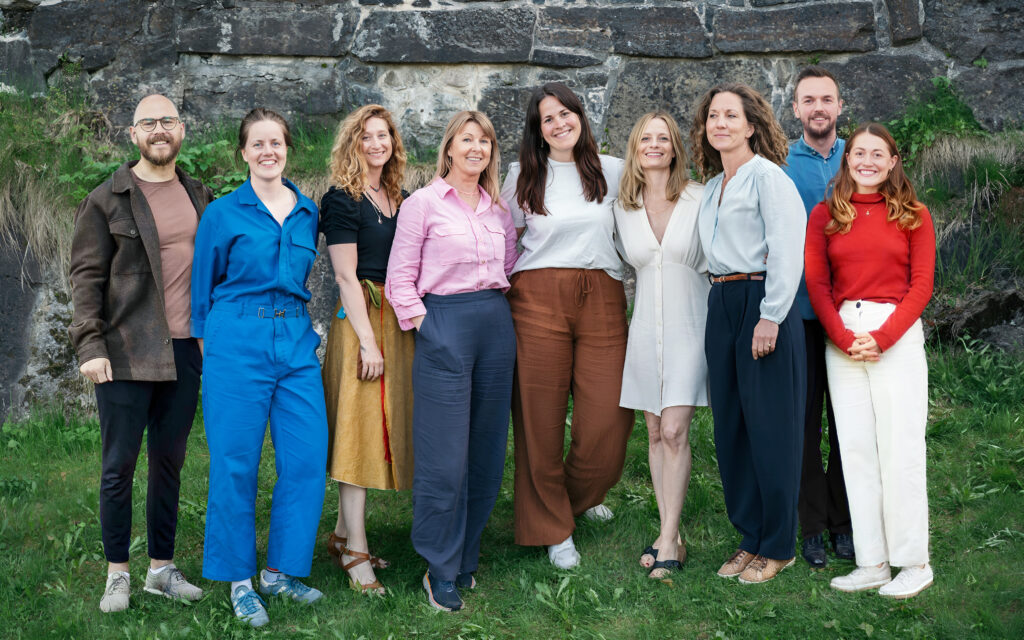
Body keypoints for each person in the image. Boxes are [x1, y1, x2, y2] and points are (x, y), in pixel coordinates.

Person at [69, 94, 212, 613]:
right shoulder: (107, 199)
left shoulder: (199, 194)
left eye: (167, 121)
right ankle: (117, 574)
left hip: (184, 352)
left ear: (181, 130)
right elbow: (85, 278)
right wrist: (90, 343)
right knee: (119, 466)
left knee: (170, 463)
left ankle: (160, 569)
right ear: (134, 134)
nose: (159, 130)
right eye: (148, 122)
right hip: (126, 351)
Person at [191, 108, 327, 627]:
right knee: (235, 463)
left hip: (294, 343)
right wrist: (214, 358)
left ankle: (280, 571)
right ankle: (240, 581)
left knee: (307, 457)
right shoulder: (222, 214)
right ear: (243, 152)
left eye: (277, 143)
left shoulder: (307, 211)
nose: (268, 151)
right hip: (235, 343)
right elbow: (200, 297)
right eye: (258, 144)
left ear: (287, 149)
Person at [385, 110, 518, 612]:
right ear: (449, 148)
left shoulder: (496, 209)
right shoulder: (421, 204)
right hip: (443, 324)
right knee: (444, 455)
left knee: (486, 449)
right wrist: (428, 329)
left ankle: (466, 555)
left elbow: (506, 266)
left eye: (484, 140)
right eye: (467, 139)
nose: (476, 148)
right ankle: (438, 566)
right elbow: (401, 278)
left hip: (494, 324)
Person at [500, 82, 633, 570]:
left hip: (602, 297)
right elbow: (503, 237)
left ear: (581, 115)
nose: (559, 124)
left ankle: (575, 496)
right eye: (547, 119)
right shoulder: (520, 176)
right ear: (538, 131)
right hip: (536, 302)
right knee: (540, 420)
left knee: (609, 420)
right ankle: (554, 529)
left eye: (565, 114)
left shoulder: (614, 170)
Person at [805, 123, 935, 599]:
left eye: (878, 154)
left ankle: (914, 561)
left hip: (894, 334)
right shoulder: (825, 215)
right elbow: (818, 284)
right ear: (847, 158)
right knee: (856, 452)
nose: (867, 161)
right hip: (842, 337)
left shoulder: (914, 215)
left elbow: (921, 285)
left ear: (893, 161)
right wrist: (841, 337)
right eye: (859, 152)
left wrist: (882, 338)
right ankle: (873, 561)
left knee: (900, 449)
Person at [690, 83, 807, 584]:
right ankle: (750, 535)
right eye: (713, 116)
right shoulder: (713, 187)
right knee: (732, 428)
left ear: (751, 126)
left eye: (730, 116)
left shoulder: (769, 178)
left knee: (770, 429)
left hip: (761, 303)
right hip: (722, 302)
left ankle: (779, 544)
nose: (720, 123)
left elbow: (787, 249)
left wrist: (771, 315)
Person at [319, 104, 413, 595]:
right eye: (367, 136)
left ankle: (339, 535)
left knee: (380, 428)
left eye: (384, 136)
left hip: (396, 319)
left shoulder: (399, 194)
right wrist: (370, 342)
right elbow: (344, 276)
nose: (377, 144)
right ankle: (356, 548)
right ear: (352, 143)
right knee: (355, 430)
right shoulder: (342, 199)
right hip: (361, 322)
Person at [612, 111, 708, 579]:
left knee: (674, 430)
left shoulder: (699, 198)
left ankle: (669, 539)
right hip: (645, 325)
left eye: (663, 138)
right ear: (635, 148)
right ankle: (668, 529)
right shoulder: (622, 207)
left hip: (692, 321)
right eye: (645, 138)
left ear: (675, 148)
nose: (654, 145)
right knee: (652, 433)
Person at [783, 66, 854, 568]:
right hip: (803, 313)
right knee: (805, 424)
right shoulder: (782, 164)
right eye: (809, 100)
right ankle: (812, 526)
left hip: (854, 312)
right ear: (795, 110)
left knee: (849, 421)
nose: (818, 108)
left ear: (840, 105)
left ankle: (845, 521)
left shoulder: (863, 155)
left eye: (826, 99)